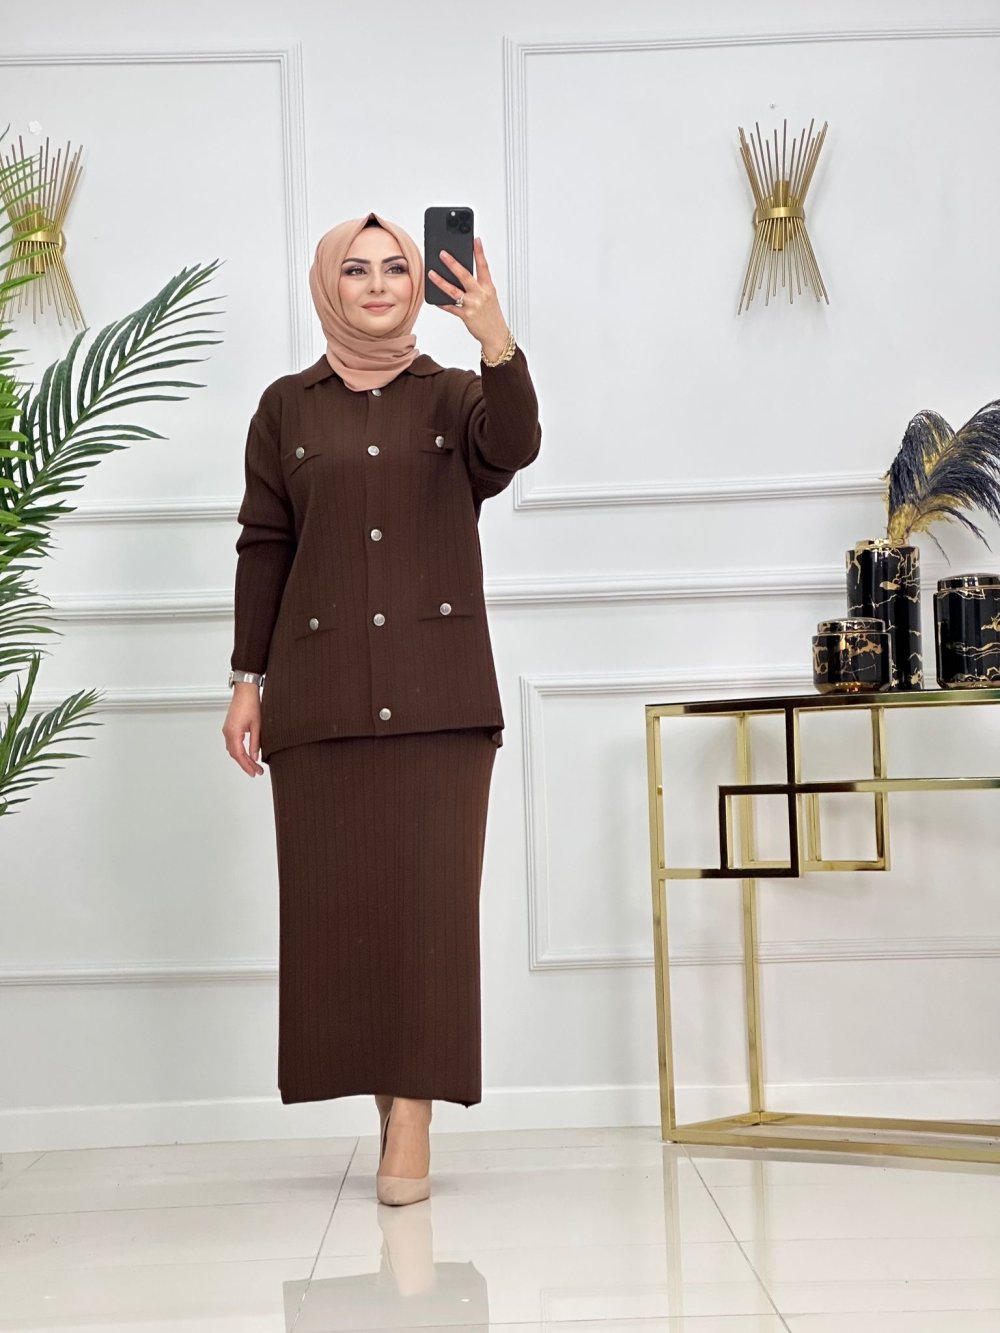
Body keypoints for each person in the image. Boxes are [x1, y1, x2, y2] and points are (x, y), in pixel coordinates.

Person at [221, 212, 541, 1206]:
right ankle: (391, 1098)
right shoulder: (285, 408)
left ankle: (413, 1117)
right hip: (319, 704)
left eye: (395, 267)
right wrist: (246, 679)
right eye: (355, 270)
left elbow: (516, 446)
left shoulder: (456, 395)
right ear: (329, 287)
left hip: (442, 701)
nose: (375, 284)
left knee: (429, 915)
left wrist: (494, 337)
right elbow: (265, 543)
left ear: (417, 286)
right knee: (347, 919)